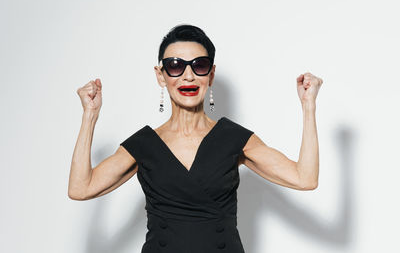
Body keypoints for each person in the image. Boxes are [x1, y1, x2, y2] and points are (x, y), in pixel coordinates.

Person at [68, 24, 323, 253]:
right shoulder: (144, 144)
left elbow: (305, 178)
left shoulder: (233, 138)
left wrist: (308, 106)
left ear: (210, 75)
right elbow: (81, 188)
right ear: (161, 75)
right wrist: (90, 116)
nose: (188, 76)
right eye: (175, 66)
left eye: (199, 65)